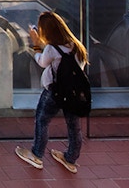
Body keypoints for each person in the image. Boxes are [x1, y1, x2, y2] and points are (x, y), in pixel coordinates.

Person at [16, 10, 88, 173]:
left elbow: (42, 62)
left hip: (54, 92)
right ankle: (70, 159)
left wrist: (35, 44)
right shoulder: (75, 45)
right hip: (75, 93)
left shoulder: (51, 49)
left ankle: (37, 155)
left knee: (43, 121)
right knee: (74, 127)